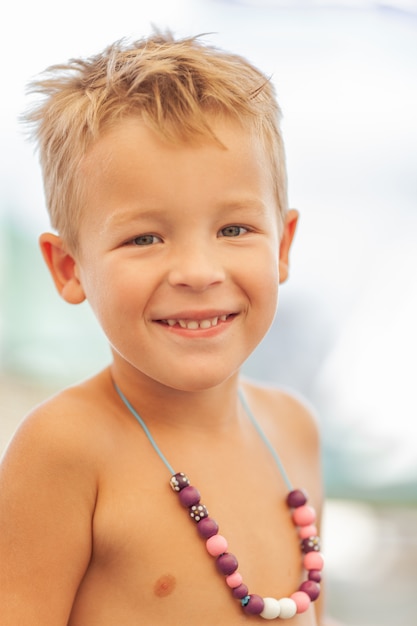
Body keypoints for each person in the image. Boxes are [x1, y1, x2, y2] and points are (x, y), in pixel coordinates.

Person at [0, 31, 327, 624]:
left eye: (234, 229)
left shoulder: (295, 429)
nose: (199, 273)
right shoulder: (63, 451)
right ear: (69, 268)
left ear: (281, 245)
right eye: (144, 238)